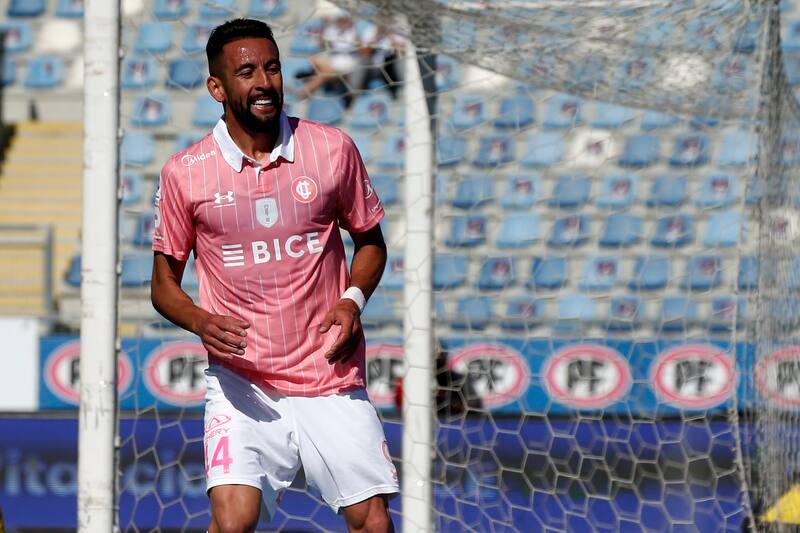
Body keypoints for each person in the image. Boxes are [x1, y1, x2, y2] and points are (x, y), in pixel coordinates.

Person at [150, 18, 397, 533]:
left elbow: (370, 241)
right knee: (234, 518)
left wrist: (352, 299)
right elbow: (163, 285)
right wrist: (199, 320)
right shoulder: (185, 172)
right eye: (246, 72)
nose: (263, 81)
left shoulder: (332, 149)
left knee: (371, 520)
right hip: (243, 381)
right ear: (217, 87)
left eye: (272, 67)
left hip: (328, 373)